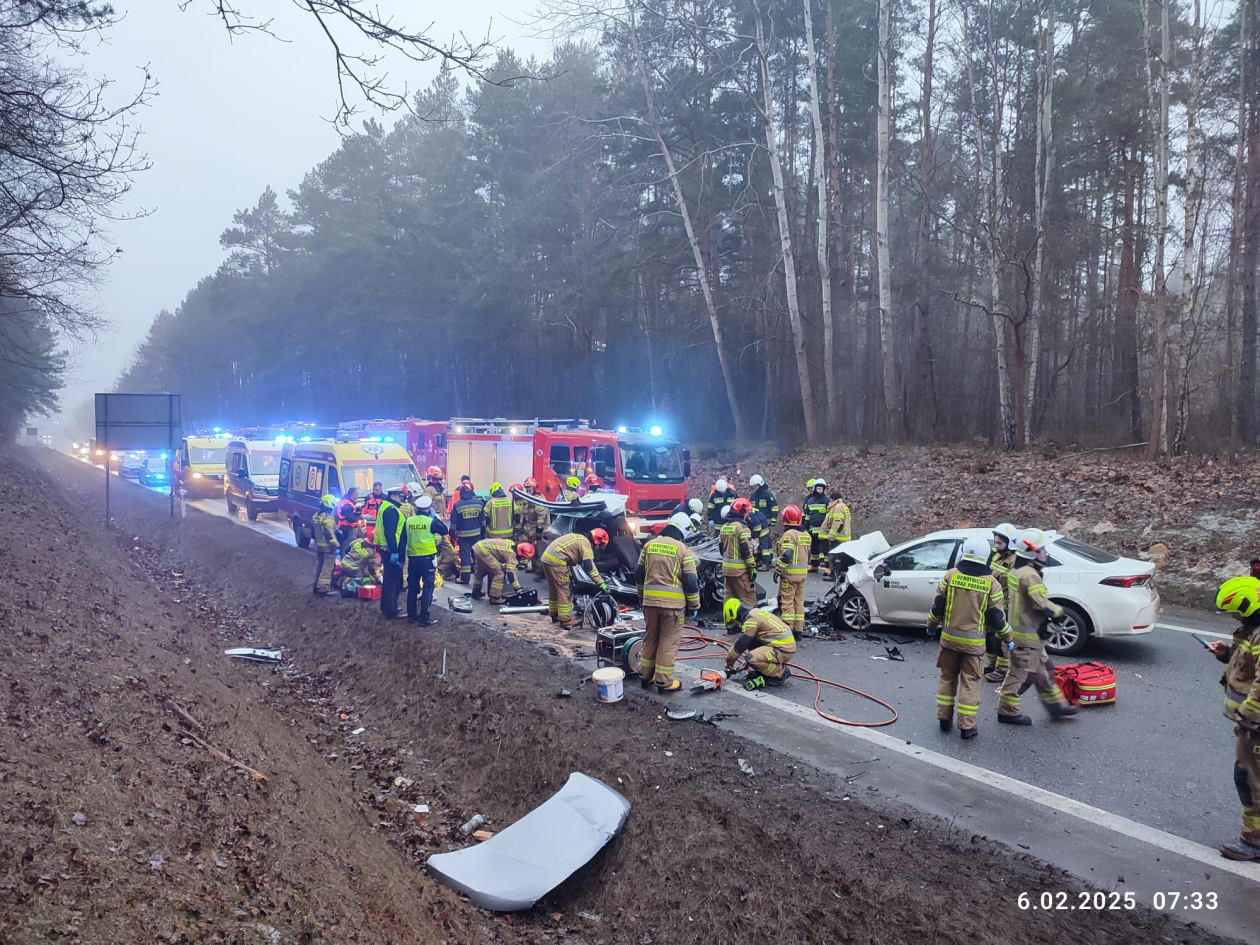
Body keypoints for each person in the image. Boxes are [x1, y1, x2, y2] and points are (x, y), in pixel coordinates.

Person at [927, 535, 1013, 740]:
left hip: (948, 641)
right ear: (985, 557)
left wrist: (930, 626)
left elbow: (937, 606)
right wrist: (1008, 638)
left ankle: (944, 720)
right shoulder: (992, 583)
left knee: (947, 678)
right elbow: (997, 618)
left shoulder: (951, 575)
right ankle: (967, 727)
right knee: (970, 683)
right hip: (973, 647)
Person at [997, 529, 1076, 726]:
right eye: (1042, 549)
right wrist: (1057, 611)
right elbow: (1040, 604)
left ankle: (1057, 708)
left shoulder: (1018, 570)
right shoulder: (1030, 576)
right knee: (1021, 674)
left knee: (1044, 672)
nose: (1045, 553)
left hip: (1029, 634)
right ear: (1032, 552)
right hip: (1027, 637)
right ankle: (1007, 711)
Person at [1211, 576, 1260, 860]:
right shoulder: (1253, 632)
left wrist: (1247, 720)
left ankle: (1254, 842)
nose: (1234, 617)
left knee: (1249, 779)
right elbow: (1249, 667)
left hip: (1256, 727)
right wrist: (1227, 654)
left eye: (1236, 612)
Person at [635, 512, 701, 693]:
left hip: (650, 604)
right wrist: (694, 606)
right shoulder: (682, 550)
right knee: (668, 642)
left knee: (650, 638)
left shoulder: (649, 545)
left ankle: (645, 675)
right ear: (683, 530)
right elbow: (690, 581)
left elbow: (638, 574)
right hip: (672, 608)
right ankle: (664, 682)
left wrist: (642, 596)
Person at [723, 599, 795, 691]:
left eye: (735, 621)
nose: (738, 624)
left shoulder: (751, 620)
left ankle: (780, 673)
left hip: (783, 649)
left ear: (735, 615)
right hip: (782, 645)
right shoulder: (755, 612)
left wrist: (729, 661)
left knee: (751, 658)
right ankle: (764, 670)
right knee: (752, 643)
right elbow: (750, 643)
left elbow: (741, 644)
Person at [542, 528, 608, 628]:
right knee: (564, 590)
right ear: (597, 540)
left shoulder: (580, 538)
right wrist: (600, 583)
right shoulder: (586, 544)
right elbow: (589, 566)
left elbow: (568, 554)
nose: (598, 548)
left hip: (547, 558)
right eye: (600, 545)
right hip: (557, 561)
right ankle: (565, 620)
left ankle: (555, 614)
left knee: (554, 589)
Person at [985, 523, 1021, 682]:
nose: (996, 545)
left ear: (1010, 543)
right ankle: (991, 665)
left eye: (1000, 543)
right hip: (992, 605)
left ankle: (1001, 670)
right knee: (989, 638)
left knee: (1002, 640)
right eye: (995, 542)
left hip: (1005, 608)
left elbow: (1016, 588)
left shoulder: (1015, 561)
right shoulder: (996, 557)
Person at [406, 494, 449, 626]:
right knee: (427, 587)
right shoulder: (431, 521)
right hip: (427, 559)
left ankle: (411, 615)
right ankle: (424, 617)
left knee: (413, 587)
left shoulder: (409, 521)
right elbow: (444, 530)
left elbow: (403, 539)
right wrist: (435, 517)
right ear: (429, 508)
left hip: (413, 558)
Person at [776, 505, 811, 638]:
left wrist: (778, 569)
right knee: (799, 601)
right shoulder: (806, 534)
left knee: (787, 601)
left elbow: (787, 554)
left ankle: (787, 629)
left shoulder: (789, 534)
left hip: (789, 575)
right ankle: (798, 630)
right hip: (802, 575)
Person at [374, 485, 409, 618]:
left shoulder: (385, 506)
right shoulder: (391, 510)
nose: (402, 499)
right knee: (394, 581)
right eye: (400, 497)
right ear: (393, 496)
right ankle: (391, 610)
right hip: (391, 549)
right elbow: (390, 532)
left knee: (389, 579)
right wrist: (394, 551)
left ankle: (386, 607)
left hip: (386, 548)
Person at [718, 497, 757, 606]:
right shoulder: (742, 528)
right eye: (747, 512)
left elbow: (721, 549)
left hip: (726, 570)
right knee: (748, 598)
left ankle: (730, 623)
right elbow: (746, 551)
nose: (748, 515)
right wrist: (752, 567)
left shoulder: (724, 527)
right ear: (742, 512)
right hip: (740, 571)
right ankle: (751, 622)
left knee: (729, 600)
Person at [472, 537, 530, 605]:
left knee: (480, 571)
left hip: (478, 547)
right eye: (523, 557)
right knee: (500, 573)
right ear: (521, 552)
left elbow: (500, 553)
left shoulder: (511, 544)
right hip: (485, 551)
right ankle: (495, 597)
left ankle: (476, 591)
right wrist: (518, 589)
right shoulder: (511, 554)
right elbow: (511, 573)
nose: (522, 559)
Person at [450, 484, 486, 584]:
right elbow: (483, 521)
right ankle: (478, 575)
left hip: (463, 536)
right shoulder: (479, 503)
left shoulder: (457, 505)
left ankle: (465, 578)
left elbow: (453, 524)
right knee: (477, 554)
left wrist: (452, 535)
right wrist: (483, 534)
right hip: (477, 534)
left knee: (465, 555)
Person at [520, 478, 550, 574]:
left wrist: (539, 530)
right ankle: (534, 566)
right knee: (532, 548)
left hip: (538, 528)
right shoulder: (529, 498)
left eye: (529, 489)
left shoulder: (538, 499)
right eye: (526, 489)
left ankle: (542, 571)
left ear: (534, 488)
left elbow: (542, 515)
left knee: (539, 549)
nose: (527, 491)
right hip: (531, 528)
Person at [311, 494, 339, 596]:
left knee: (320, 565)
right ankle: (324, 588)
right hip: (328, 547)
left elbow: (313, 532)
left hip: (319, 546)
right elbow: (329, 533)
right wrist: (336, 545)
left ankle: (316, 585)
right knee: (327, 567)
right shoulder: (328, 517)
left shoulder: (316, 515)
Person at [802, 478, 830, 572]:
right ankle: (814, 565)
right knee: (814, 547)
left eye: (822, 489)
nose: (820, 491)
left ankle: (828, 567)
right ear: (815, 489)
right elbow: (808, 515)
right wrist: (806, 526)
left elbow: (829, 515)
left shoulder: (827, 501)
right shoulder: (810, 501)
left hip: (823, 529)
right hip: (813, 528)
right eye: (818, 489)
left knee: (825, 548)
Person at [335, 488, 362, 554]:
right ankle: (343, 559)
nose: (358, 496)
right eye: (357, 494)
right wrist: (361, 517)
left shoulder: (348, 502)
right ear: (353, 494)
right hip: (346, 527)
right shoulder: (347, 504)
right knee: (347, 544)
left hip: (345, 526)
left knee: (347, 544)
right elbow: (350, 519)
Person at [747, 504, 772, 570]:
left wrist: (756, 536)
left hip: (762, 529)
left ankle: (766, 563)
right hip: (760, 527)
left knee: (764, 547)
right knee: (758, 546)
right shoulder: (748, 511)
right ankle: (759, 560)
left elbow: (757, 527)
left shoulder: (749, 514)